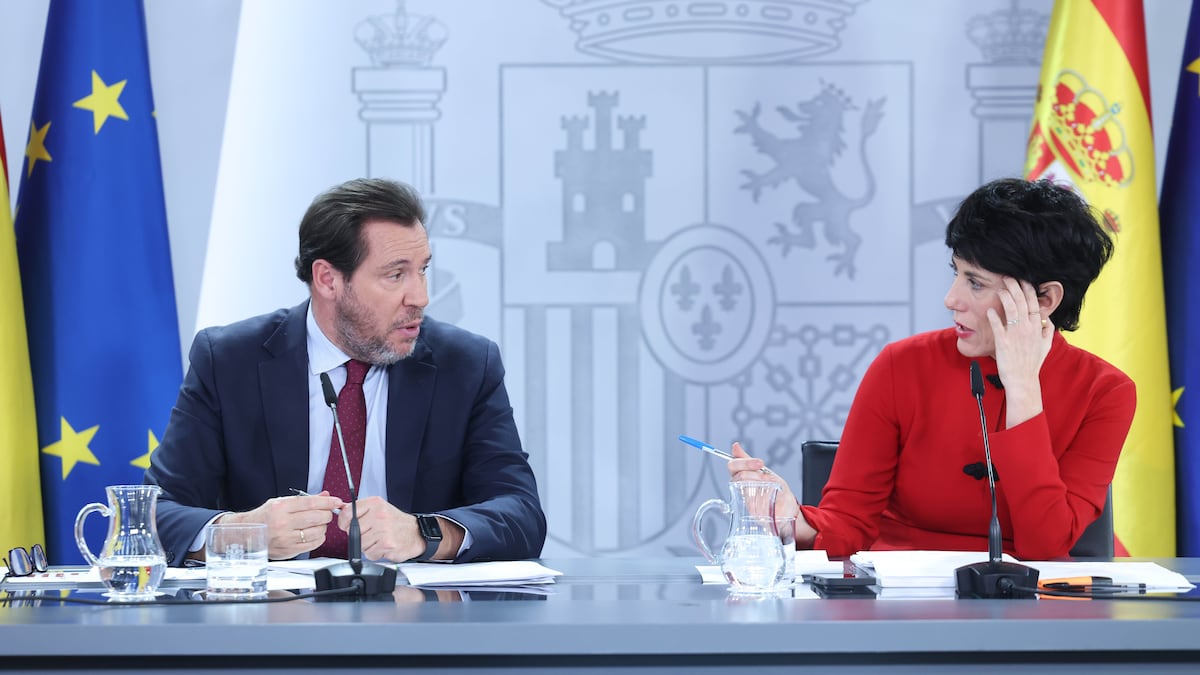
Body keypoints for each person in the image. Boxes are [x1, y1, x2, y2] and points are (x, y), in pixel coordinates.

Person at [727, 177, 1134, 560]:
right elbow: (847, 523)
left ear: (1044, 299)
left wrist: (1023, 387)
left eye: (975, 282)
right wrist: (793, 522)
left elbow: (1045, 547)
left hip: (1028, 604)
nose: (951, 299)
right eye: (957, 273)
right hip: (901, 599)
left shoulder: (1106, 393)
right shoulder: (901, 366)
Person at [145, 178, 546, 566]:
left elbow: (521, 513)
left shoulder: (465, 365)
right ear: (328, 279)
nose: (421, 296)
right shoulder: (230, 361)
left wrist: (424, 533)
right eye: (396, 275)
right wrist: (244, 533)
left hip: (415, 607)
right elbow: (153, 514)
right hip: (274, 609)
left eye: (422, 270)